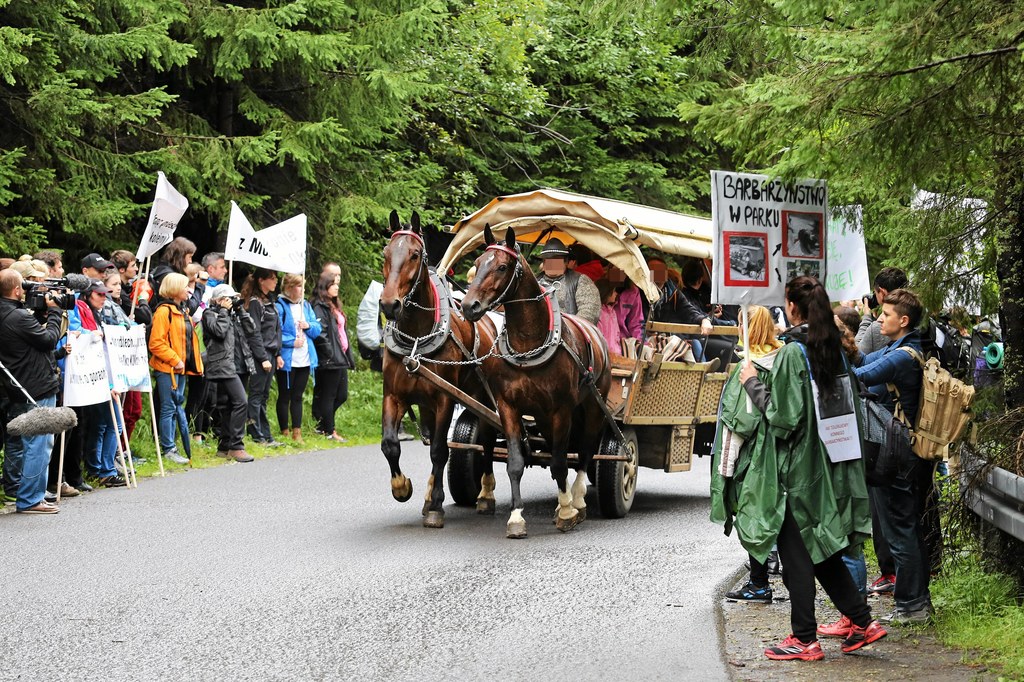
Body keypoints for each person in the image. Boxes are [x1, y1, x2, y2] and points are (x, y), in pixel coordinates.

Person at [736, 277, 884, 660]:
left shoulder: (790, 353)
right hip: (833, 461)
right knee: (823, 551)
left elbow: (784, 419)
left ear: (792, 307)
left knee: (797, 554)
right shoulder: (832, 348)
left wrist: (753, 383)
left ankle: (804, 638)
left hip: (798, 470)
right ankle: (863, 621)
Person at [853, 288, 935, 624]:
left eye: (885, 315)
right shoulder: (899, 348)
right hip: (907, 452)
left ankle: (912, 605)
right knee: (907, 526)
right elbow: (862, 361)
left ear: (903, 320)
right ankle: (917, 601)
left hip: (900, 456)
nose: (879, 318)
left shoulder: (903, 356)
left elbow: (861, 375)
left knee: (900, 528)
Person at [712, 305, 784, 603]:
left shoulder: (749, 370)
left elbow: (737, 424)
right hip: (782, 454)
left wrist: (724, 471)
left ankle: (758, 584)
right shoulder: (783, 361)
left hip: (754, 459)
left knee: (752, 516)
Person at [0, 269, 65, 513]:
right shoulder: (17, 317)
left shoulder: (8, 313)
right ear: (17, 290)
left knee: (26, 442)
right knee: (39, 443)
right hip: (35, 386)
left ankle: (24, 493)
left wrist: (40, 312)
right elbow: (48, 339)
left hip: (17, 385)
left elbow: (29, 334)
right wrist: (56, 312)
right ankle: (30, 499)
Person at [69, 279, 127, 488]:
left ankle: (99, 468)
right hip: (95, 376)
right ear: (87, 294)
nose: (104, 298)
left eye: (105, 294)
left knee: (104, 424)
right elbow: (78, 335)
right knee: (111, 423)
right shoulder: (80, 309)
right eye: (99, 294)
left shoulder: (95, 313)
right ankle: (105, 470)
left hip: (103, 375)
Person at [203, 283, 267, 463]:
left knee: (228, 406)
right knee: (241, 402)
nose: (231, 301)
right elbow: (219, 332)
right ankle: (236, 446)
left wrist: (240, 311)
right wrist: (223, 311)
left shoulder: (232, 315)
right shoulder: (210, 314)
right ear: (218, 300)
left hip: (235, 365)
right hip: (222, 366)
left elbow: (251, 329)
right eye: (228, 298)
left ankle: (224, 446)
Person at [148, 273, 203, 464]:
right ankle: (168, 448)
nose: (189, 290)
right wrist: (175, 360)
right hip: (168, 369)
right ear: (174, 289)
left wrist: (194, 364)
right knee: (168, 408)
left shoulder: (181, 310)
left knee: (174, 408)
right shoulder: (164, 312)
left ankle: (172, 446)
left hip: (180, 369)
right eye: (185, 286)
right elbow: (156, 343)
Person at [240, 268, 284, 446]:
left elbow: (276, 329)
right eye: (272, 279)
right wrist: (262, 357)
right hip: (262, 354)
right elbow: (254, 333)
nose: (275, 282)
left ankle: (265, 434)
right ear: (261, 280)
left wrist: (278, 353)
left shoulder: (270, 301)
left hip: (272, 353)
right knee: (256, 395)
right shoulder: (255, 303)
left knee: (264, 395)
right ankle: (255, 433)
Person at [275, 273, 321, 443]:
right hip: (287, 358)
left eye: (302, 286)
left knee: (297, 396)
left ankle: (297, 431)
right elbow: (276, 333)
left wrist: (308, 325)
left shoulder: (306, 306)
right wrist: (290, 342)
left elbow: (317, 330)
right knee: (284, 395)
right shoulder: (279, 307)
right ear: (289, 288)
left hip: (305, 358)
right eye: (299, 286)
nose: (302, 290)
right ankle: (284, 430)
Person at [311, 273, 355, 442]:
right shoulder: (319, 307)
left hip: (340, 356)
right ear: (325, 287)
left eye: (337, 284)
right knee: (329, 395)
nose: (337, 287)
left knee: (341, 395)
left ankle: (322, 424)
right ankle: (330, 430)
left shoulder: (334, 305)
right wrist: (329, 352)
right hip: (330, 358)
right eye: (333, 284)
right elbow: (321, 333)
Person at [535, 238, 600, 324]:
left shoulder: (581, 281)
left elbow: (590, 310)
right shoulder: (534, 283)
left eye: (556, 260)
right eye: (548, 260)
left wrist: (569, 327)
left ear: (566, 262)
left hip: (571, 333)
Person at [856, 267, 909, 355]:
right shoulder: (917, 315)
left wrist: (866, 318)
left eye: (875, 293)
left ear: (882, 293)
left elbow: (856, 355)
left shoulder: (881, 327)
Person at [596, 279, 624, 358]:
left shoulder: (613, 312)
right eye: (614, 291)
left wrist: (618, 351)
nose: (616, 293)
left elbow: (617, 334)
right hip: (602, 355)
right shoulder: (598, 312)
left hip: (616, 354)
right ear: (607, 292)